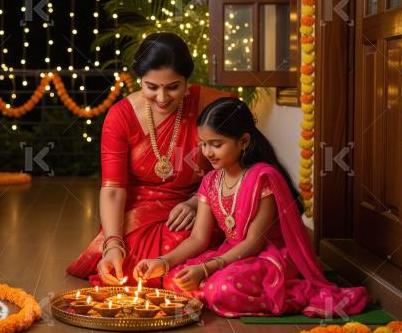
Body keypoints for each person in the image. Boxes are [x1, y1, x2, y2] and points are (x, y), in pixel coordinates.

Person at [133, 98, 369, 317]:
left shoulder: (263, 178)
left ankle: (224, 293)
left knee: (219, 289)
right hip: (230, 255)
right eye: (203, 144)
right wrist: (163, 262)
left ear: (243, 141)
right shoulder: (211, 181)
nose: (207, 152)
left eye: (216, 144)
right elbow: (198, 239)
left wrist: (205, 270)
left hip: (267, 258)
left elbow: (254, 242)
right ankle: (208, 288)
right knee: (172, 279)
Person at [66, 33, 232, 287]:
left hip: (201, 207)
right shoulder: (120, 117)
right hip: (140, 210)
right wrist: (112, 243)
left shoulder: (209, 107)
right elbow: (113, 189)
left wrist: (196, 202)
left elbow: (235, 169)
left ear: (188, 82)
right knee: (130, 264)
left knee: (202, 252)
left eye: (173, 86)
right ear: (139, 81)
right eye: (152, 87)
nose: (163, 98)